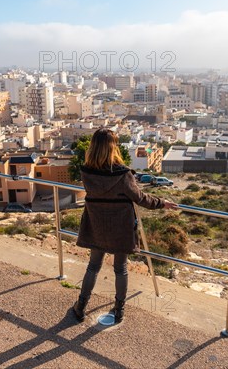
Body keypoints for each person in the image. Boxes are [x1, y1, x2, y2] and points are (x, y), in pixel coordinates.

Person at [73, 128, 177, 324]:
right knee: (120, 268)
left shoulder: (86, 172)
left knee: (93, 266)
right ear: (113, 148)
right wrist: (162, 203)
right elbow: (140, 198)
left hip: (96, 225)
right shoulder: (123, 174)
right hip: (120, 228)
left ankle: (80, 307)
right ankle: (119, 311)